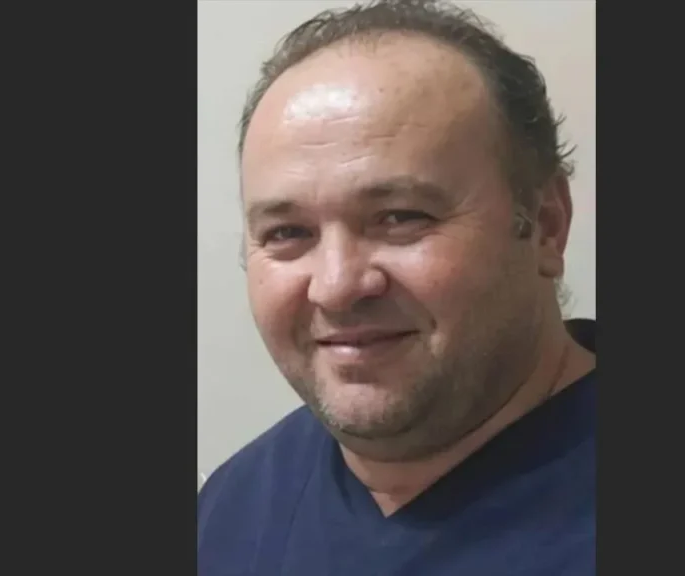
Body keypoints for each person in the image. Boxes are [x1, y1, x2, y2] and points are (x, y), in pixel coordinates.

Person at [197, 0, 596, 573]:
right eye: (287, 232)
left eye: (401, 217)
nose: (336, 287)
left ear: (546, 225)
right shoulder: (233, 509)